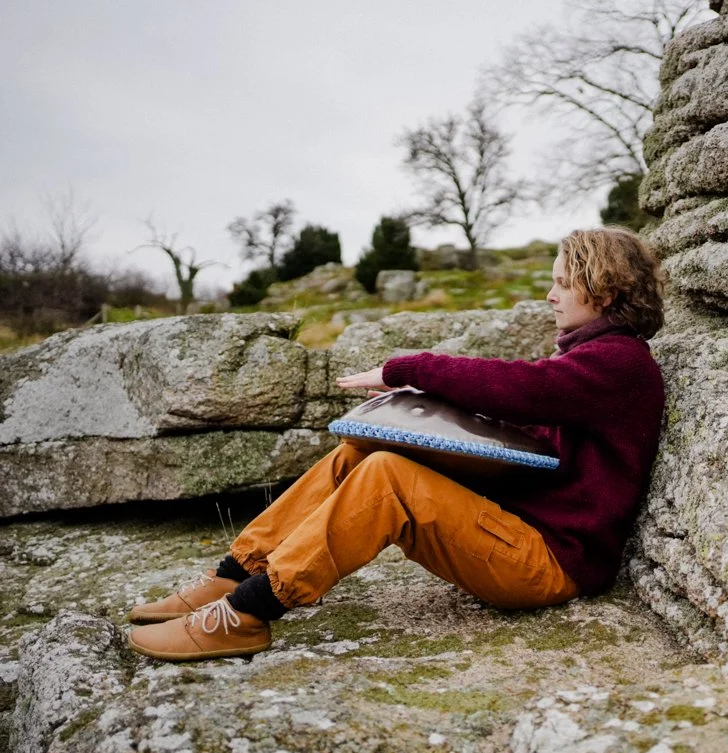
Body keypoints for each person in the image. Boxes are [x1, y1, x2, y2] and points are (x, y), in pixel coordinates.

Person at [126, 227, 667, 661]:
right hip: (519, 532)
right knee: (364, 450)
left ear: (606, 290)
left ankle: (246, 614)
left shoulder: (620, 363)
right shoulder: (592, 358)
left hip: (549, 563)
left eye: (563, 283)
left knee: (389, 477)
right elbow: (530, 437)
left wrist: (407, 367)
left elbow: (523, 389)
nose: (550, 295)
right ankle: (232, 575)